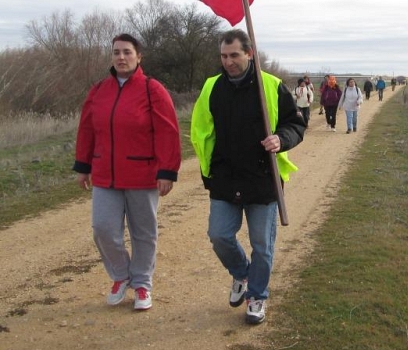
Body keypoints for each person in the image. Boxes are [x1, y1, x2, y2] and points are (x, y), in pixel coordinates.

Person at [190, 29, 305, 325]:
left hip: (263, 179)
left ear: (249, 53)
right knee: (219, 236)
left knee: (262, 246)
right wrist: (208, 174)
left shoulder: (272, 85)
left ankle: (257, 295)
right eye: (223, 56)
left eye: (234, 55)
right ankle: (241, 273)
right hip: (226, 178)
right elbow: (202, 131)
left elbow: (296, 124)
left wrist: (281, 139)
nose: (228, 62)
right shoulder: (211, 87)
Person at [73, 33, 181, 311]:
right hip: (105, 176)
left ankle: (142, 284)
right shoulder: (98, 90)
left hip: (142, 174)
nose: (121, 57)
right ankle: (121, 276)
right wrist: (83, 166)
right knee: (103, 229)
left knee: (144, 233)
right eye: (116, 52)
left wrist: (167, 170)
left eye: (127, 52)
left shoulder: (152, 89)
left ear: (138, 56)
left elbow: (168, 132)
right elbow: (87, 129)